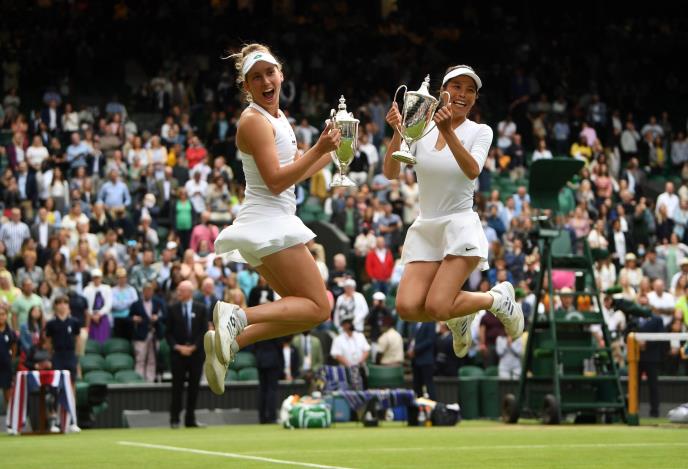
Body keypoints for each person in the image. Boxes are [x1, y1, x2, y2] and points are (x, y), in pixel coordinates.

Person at [203, 43, 340, 395]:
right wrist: (319, 149)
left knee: (301, 313)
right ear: (246, 86)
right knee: (320, 306)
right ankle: (237, 316)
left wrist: (334, 153)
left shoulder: (278, 118)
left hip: (268, 224)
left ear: (281, 74)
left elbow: (296, 172)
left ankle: (230, 343)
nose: (265, 81)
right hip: (269, 223)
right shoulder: (253, 121)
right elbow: (277, 181)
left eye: (269, 73)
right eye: (256, 77)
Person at [383, 64, 524, 362]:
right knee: (407, 308)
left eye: (470, 90)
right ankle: (460, 314)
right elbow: (391, 172)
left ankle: (495, 299)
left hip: (460, 226)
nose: (463, 94)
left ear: (475, 98)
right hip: (427, 226)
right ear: (442, 92)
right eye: (456, 86)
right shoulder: (421, 127)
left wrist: (447, 131)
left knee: (437, 306)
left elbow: (472, 169)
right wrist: (398, 131)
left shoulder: (481, 131)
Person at [166, 280, 207, 428]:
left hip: (196, 355)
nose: (178, 293)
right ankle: (174, 419)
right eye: (178, 290)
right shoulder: (172, 309)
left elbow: (203, 331)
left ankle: (190, 419)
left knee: (194, 388)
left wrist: (194, 347)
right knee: (177, 387)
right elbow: (168, 333)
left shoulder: (201, 308)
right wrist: (178, 347)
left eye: (181, 290)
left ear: (189, 293)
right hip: (178, 355)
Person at [129, 282, 165, 382]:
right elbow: (129, 317)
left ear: (152, 292)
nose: (148, 293)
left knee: (152, 359)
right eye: (146, 291)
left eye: (150, 291)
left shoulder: (158, 302)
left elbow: (165, 316)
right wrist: (134, 318)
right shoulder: (136, 304)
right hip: (141, 334)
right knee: (140, 358)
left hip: (154, 333)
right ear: (143, 292)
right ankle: (138, 380)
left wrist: (157, 318)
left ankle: (150, 380)